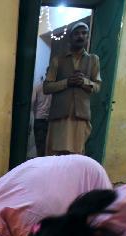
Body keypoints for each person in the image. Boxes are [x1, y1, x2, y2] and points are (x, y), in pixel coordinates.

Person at [43, 22, 101, 156]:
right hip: (59, 118)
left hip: (80, 118)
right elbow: (47, 87)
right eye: (76, 33)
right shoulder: (57, 60)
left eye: (84, 33)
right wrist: (67, 82)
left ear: (87, 37)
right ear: (70, 37)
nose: (80, 36)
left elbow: (97, 86)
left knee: (76, 157)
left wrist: (84, 82)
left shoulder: (93, 60)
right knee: (54, 157)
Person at [30, 76, 51, 157]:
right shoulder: (55, 89)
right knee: (49, 147)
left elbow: (32, 102)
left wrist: (35, 112)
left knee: (40, 147)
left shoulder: (38, 86)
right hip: (51, 120)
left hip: (39, 119)